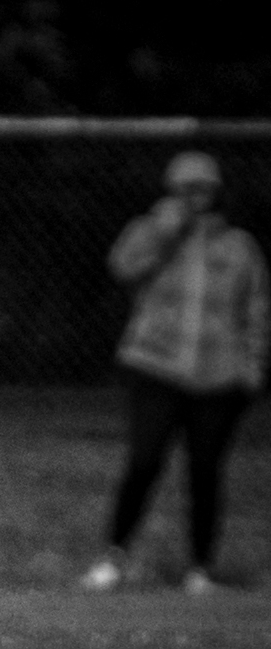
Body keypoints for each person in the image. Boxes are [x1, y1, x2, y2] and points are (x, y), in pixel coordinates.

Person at [84, 149, 263, 593]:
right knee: (144, 462)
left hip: (219, 376)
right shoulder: (150, 233)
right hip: (155, 367)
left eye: (204, 188)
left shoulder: (238, 246)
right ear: (170, 190)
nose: (195, 197)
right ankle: (113, 557)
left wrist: (253, 367)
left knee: (205, 472)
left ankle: (200, 569)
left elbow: (258, 309)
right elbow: (122, 267)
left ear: (218, 192)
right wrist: (165, 233)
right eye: (186, 188)